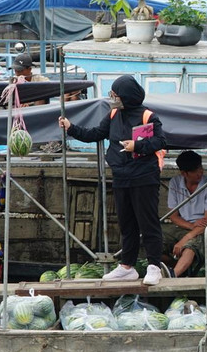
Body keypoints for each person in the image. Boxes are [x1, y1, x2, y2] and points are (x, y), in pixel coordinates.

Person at [59, 75, 166, 284]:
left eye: (116, 95)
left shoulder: (148, 116)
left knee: (148, 223)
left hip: (144, 176)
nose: (113, 98)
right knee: (126, 223)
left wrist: (138, 146)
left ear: (126, 95)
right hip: (121, 176)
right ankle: (127, 265)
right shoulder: (114, 114)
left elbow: (160, 141)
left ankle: (154, 266)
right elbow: (96, 133)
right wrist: (71, 127)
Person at [163, 150, 207, 277]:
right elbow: (173, 216)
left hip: (206, 229)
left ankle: (172, 277)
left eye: (200, 168)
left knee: (190, 246)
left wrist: (186, 238)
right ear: (184, 173)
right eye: (194, 171)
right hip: (185, 226)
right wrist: (191, 226)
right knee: (154, 241)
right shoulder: (175, 183)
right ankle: (178, 269)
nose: (199, 173)